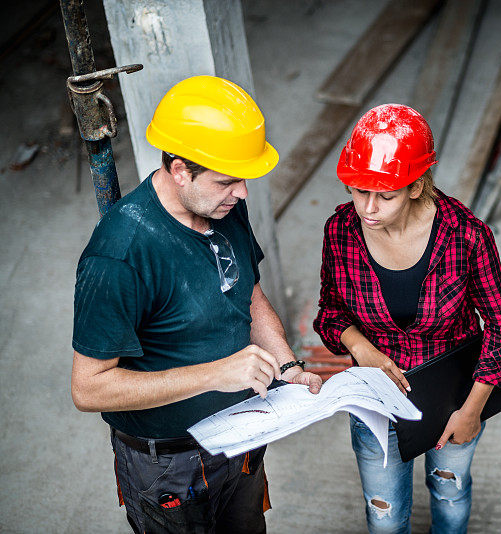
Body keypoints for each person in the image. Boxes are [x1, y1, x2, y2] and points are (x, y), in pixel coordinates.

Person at [71, 75, 322, 534]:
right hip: (169, 464)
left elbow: (250, 295)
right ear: (180, 169)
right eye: (228, 181)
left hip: (242, 435)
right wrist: (217, 374)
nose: (242, 193)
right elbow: (88, 388)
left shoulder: (223, 206)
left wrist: (288, 367)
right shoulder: (121, 253)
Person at [313, 104, 501, 534]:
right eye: (358, 190)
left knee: (449, 492)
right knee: (384, 514)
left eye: (385, 195)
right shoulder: (340, 230)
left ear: (415, 187)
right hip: (376, 398)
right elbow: (331, 312)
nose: (368, 209)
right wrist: (361, 348)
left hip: (454, 398)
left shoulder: (466, 236)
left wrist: (470, 412)